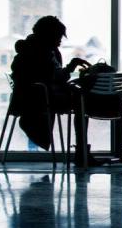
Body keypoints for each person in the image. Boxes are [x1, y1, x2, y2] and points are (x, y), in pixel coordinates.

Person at [10, 15, 96, 165]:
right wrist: (72, 67)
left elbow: (52, 78)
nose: (60, 41)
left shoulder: (32, 51)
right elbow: (54, 78)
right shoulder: (41, 54)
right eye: (58, 37)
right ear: (49, 36)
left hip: (32, 99)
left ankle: (82, 152)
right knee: (83, 101)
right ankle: (82, 152)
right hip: (41, 101)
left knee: (81, 97)